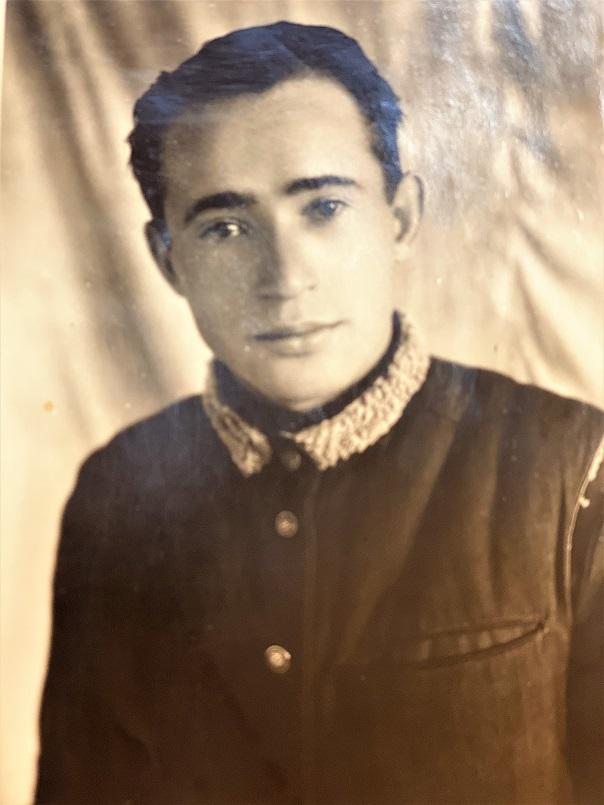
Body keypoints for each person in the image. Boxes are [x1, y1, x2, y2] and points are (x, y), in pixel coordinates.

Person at [36, 21, 603, 805]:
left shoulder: (571, 466)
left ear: (399, 218)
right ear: (169, 260)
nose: (284, 276)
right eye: (226, 227)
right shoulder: (115, 493)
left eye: (325, 207)